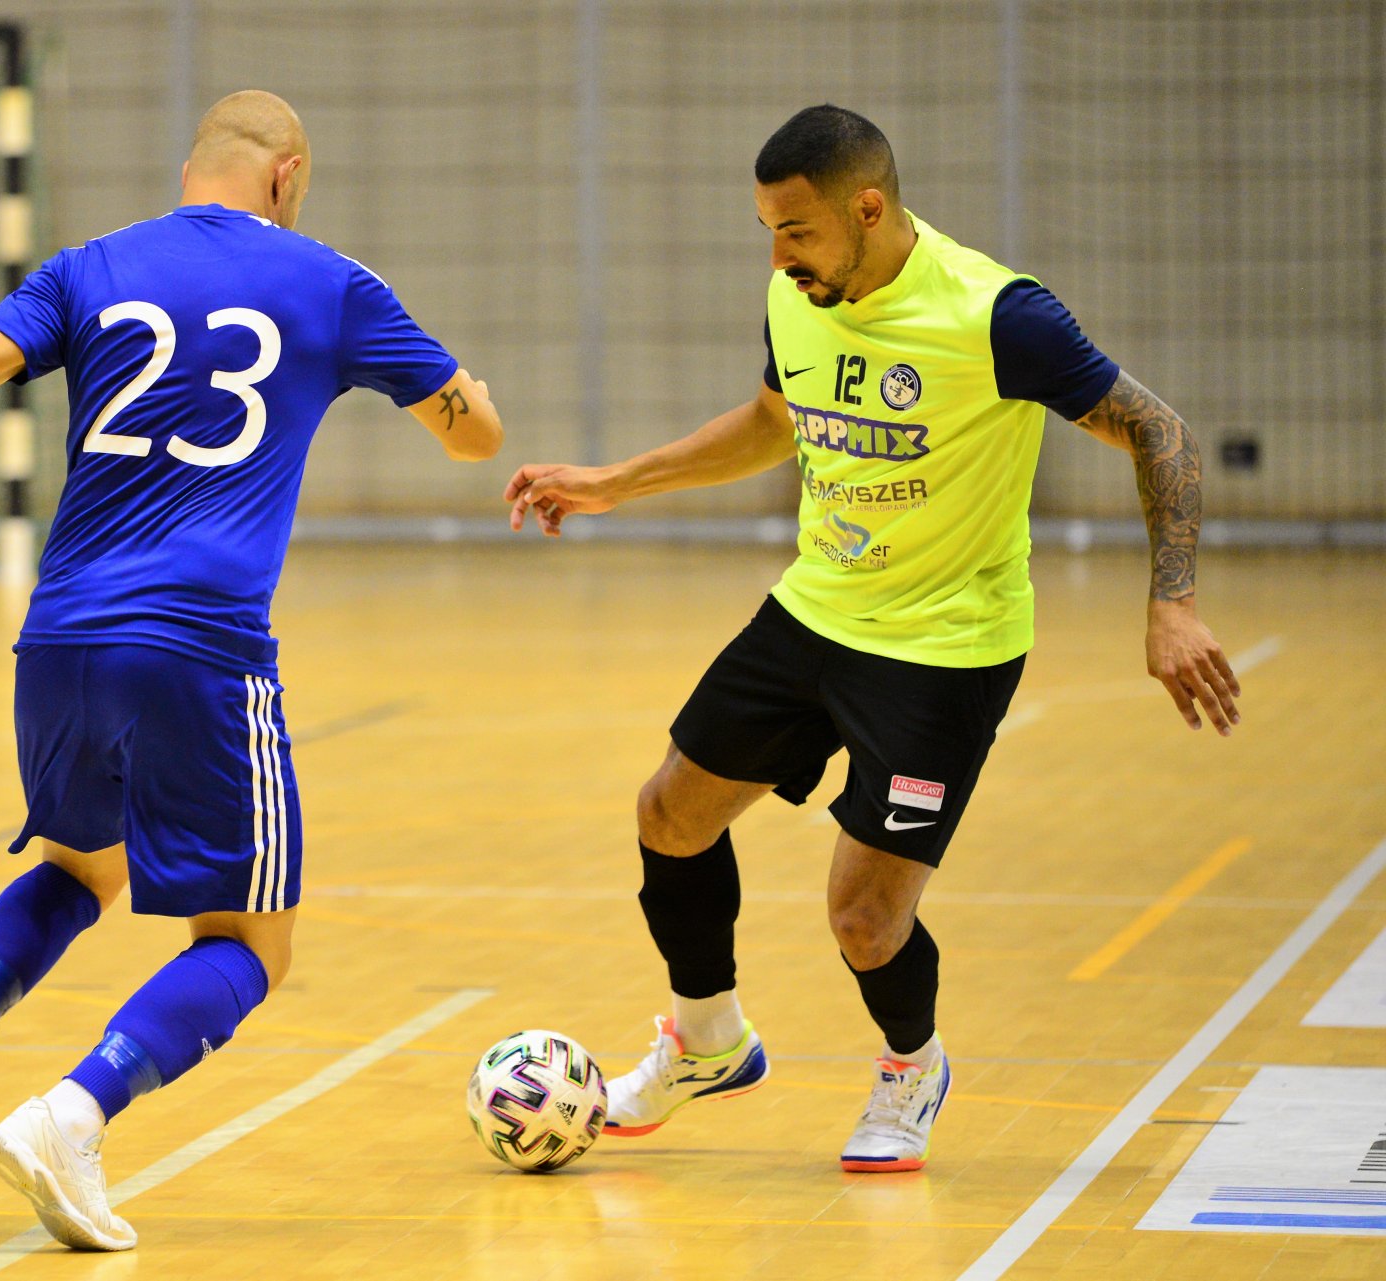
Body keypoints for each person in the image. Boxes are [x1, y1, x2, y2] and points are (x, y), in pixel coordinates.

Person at [0, 90, 502, 1248]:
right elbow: (473, 435)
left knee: (86, 862)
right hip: (201, 648)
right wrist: (467, 404)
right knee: (248, 944)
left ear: (191, 173)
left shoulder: (89, 267)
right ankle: (70, 1118)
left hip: (60, 640)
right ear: (287, 176)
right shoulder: (332, 283)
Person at [503, 103, 1237, 1174]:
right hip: (817, 608)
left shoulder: (997, 315)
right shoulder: (797, 294)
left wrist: (1172, 601)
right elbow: (773, 423)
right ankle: (708, 1041)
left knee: (862, 920)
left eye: (796, 230)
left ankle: (912, 1066)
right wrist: (615, 482)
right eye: (767, 230)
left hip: (945, 649)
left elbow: (1159, 431)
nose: (777, 255)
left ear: (869, 209)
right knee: (669, 813)